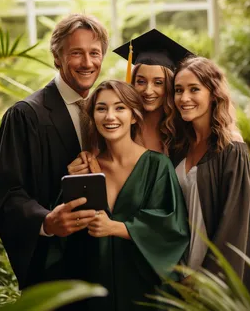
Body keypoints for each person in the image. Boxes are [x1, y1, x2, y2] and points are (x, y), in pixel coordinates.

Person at [0, 13, 109, 290]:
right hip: (55, 265)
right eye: (76, 53)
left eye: (95, 53)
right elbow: (9, 195)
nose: (88, 62)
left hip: (104, 260)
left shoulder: (106, 110)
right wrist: (46, 220)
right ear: (57, 58)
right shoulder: (26, 115)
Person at [66, 80, 189, 311]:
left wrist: (115, 228)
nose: (110, 116)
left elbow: (172, 227)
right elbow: (67, 232)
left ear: (134, 116)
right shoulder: (85, 169)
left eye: (120, 107)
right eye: (101, 108)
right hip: (96, 291)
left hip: (146, 292)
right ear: (93, 116)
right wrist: (72, 181)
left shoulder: (157, 166)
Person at [173, 56, 250, 302]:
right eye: (178, 90)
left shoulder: (231, 148)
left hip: (215, 267)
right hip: (182, 263)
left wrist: (206, 276)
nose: (184, 98)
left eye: (194, 89)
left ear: (213, 94)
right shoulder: (180, 145)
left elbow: (235, 221)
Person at [113, 29, 192, 155]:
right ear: (132, 83)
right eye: (141, 81)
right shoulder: (120, 124)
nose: (148, 91)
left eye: (158, 83)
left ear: (169, 86)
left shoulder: (183, 130)